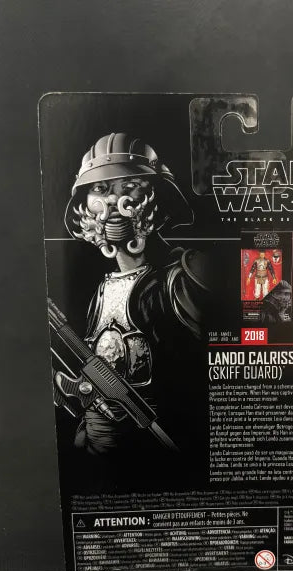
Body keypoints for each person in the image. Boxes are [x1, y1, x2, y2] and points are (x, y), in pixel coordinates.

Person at [63, 133, 209, 456]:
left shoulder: (180, 280)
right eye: (102, 189)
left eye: (129, 185)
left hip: (156, 453)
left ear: (156, 195)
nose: (115, 201)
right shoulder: (103, 289)